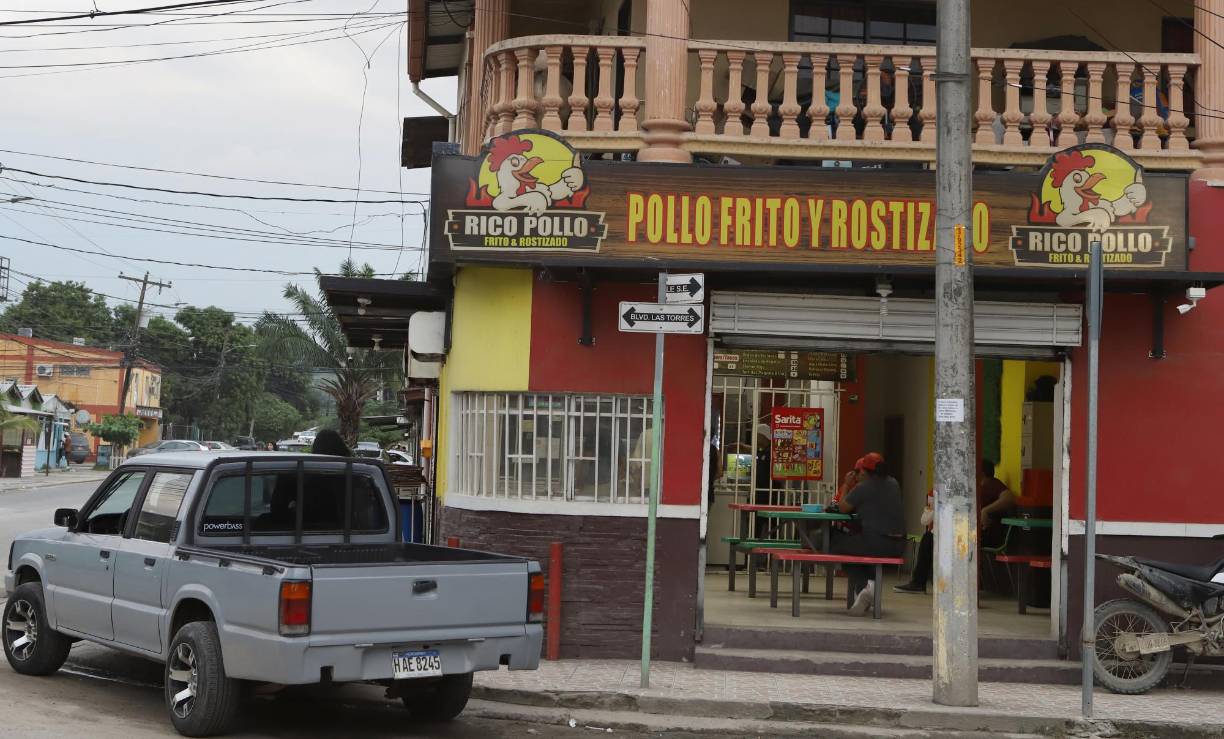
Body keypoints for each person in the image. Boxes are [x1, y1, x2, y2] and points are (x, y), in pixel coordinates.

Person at [830, 452, 904, 615]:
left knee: (837, 546)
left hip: (874, 543)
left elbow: (842, 508)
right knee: (859, 550)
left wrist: (847, 485)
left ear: (863, 472)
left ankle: (865, 587)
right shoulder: (894, 484)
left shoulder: (863, 488)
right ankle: (867, 588)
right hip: (897, 545)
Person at [894, 490, 935, 594]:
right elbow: (924, 520)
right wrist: (933, 508)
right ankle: (918, 583)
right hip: (935, 535)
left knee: (928, 538)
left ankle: (918, 582)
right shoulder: (933, 493)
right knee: (927, 537)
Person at [978, 459, 1015, 547]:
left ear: (982, 473)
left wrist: (985, 511)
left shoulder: (991, 483)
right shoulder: (982, 486)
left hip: (989, 536)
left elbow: (1009, 498)